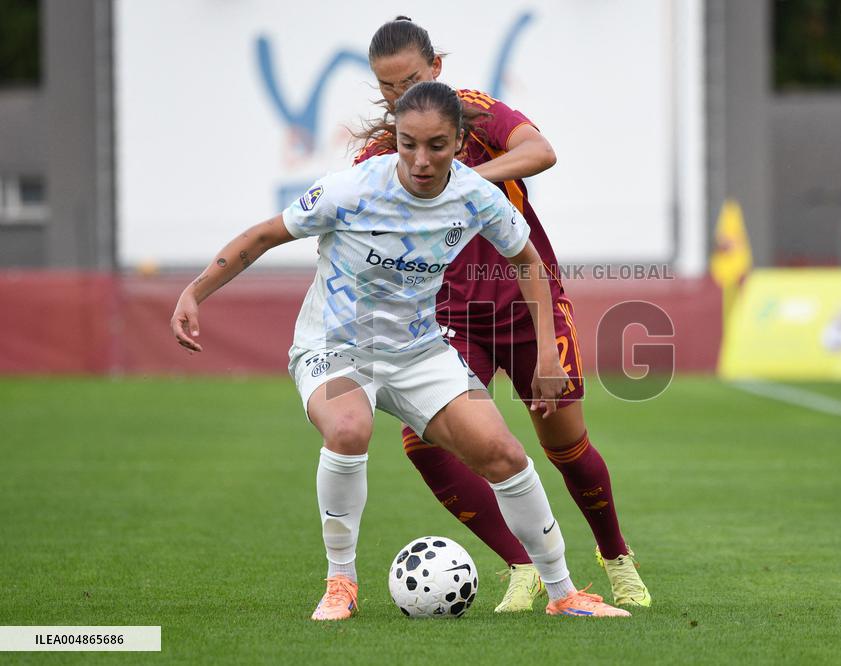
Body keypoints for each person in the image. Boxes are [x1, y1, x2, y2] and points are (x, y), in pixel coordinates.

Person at [171, 81, 629, 620]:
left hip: (418, 351)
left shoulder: (476, 194)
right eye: (408, 143)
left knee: (504, 454)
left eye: (436, 145)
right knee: (347, 428)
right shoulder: (351, 189)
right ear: (395, 138)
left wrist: (549, 353)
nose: (420, 159)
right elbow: (265, 236)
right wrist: (193, 292)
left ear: (460, 143)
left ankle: (563, 593)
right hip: (336, 346)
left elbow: (527, 260)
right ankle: (340, 584)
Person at [355, 16, 651, 612]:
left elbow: (541, 151)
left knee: (565, 447)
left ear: (435, 68)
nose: (399, 97)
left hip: (524, 300)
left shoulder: (475, 114)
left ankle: (616, 558)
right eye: (387, 88)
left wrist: (461, 183)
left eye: (410, 79)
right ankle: (523, 564)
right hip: (448, 316)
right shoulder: (380, 156)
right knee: (423, 442)